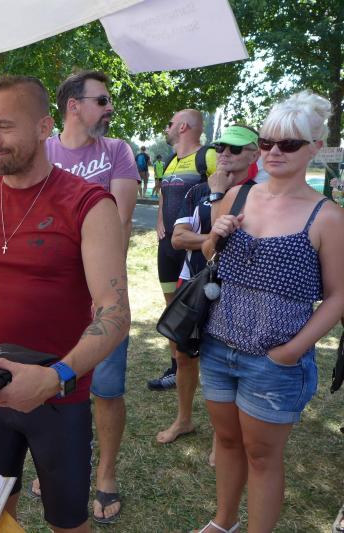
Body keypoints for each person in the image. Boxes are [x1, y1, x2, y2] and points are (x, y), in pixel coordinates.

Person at [0, 75, 130, 533]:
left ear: (45, 126)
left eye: (5, 126)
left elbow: (115, 311)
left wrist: (56, 376)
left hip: (60, 393)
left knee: (68, 522)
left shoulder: (88, 203)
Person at [191, 91, 344, 533]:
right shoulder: (238, 196)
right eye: (266, 142)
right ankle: (223, 522)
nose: (274, 151)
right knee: (226, 441)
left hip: (274, 360)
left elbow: (338, 295)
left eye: (289, 143)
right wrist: (214, 236)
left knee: (262, 455)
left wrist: (291, 351)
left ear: (315, 147)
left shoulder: (327, 216)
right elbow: (210, 257)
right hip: (218, 346)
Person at [44, 69, 138, 523]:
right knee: (52, 380)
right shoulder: (44, 150)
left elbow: (119, 222)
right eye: (102, 100)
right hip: (51, 289)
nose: (109, 108)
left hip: (103, 291)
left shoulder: (118, 151)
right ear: (74, 106)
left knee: (106, 387)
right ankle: (57, 461)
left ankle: (106, 472)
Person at [157, 125, 260, 452]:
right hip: (196, 283)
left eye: (235, 148)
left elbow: (249, 246)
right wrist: (219, 237)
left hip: (238, 289)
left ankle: (222, 436)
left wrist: (214, 222)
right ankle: (183, 419)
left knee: (227, 359)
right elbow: (177, 239)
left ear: (254, 154)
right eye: (221, 147)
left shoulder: (260, 195)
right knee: (184, 353)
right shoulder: (197, 191)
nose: (225, 153)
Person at [148, 109, 217, 391]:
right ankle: (176, 369)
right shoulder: (171, 160)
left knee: (202, 312)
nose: (166, 128)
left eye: (170, 123)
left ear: (184, 126)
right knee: (172, 310)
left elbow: (227, 193)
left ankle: (207, 371)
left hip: (194, 248)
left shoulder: (208, 157)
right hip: (168, 246)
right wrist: (159, 221)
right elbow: (165, 194)